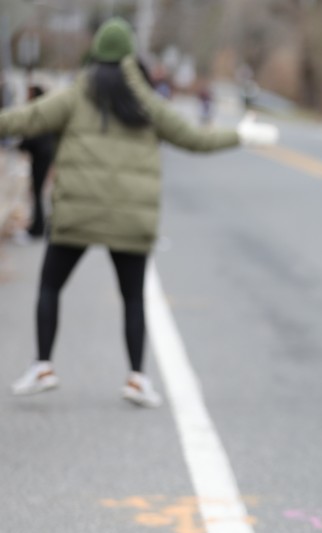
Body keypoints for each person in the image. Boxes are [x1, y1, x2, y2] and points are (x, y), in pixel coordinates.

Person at [1, 17, 278, 406]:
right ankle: (136, 378)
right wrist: (241, 135)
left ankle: (43, 365)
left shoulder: (75, 95)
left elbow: (24, 119)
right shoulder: (146, 102)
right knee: (133, 298)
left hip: (77, 215)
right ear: (131, 56)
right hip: (130, 221)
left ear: (96, 53)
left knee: (50, 286)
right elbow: (195, 139)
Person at [17, 85, 58, 239]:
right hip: (44, 155)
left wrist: (21, 145)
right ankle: (38, 226)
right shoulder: (46, 110)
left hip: (41, 155)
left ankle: (37, 228)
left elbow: (33, 136)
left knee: (37, 191)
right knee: (38, 192)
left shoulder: (37, 111)